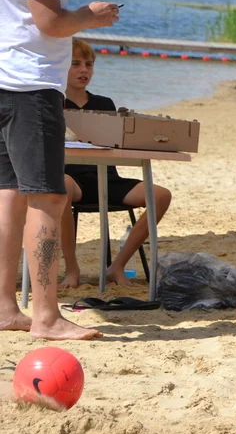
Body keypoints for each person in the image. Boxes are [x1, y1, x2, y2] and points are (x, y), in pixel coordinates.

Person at [0, 0, 118, 340]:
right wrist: (91, 15)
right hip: (30, 85)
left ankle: (4, 306)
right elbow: (50, 21)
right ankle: (47, 315)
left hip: (4, 80)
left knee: (10, 196)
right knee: (48, 198)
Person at [60, 39, 172, 288]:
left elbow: (118, 144)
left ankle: (117, 265)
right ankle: (71, 268)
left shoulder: (104, 103)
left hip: (107, 178)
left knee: (161, 196)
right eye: (75, 64)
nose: (83, 70)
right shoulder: (52, 102)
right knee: (61, 185)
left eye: (89, 65)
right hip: (72, 179)